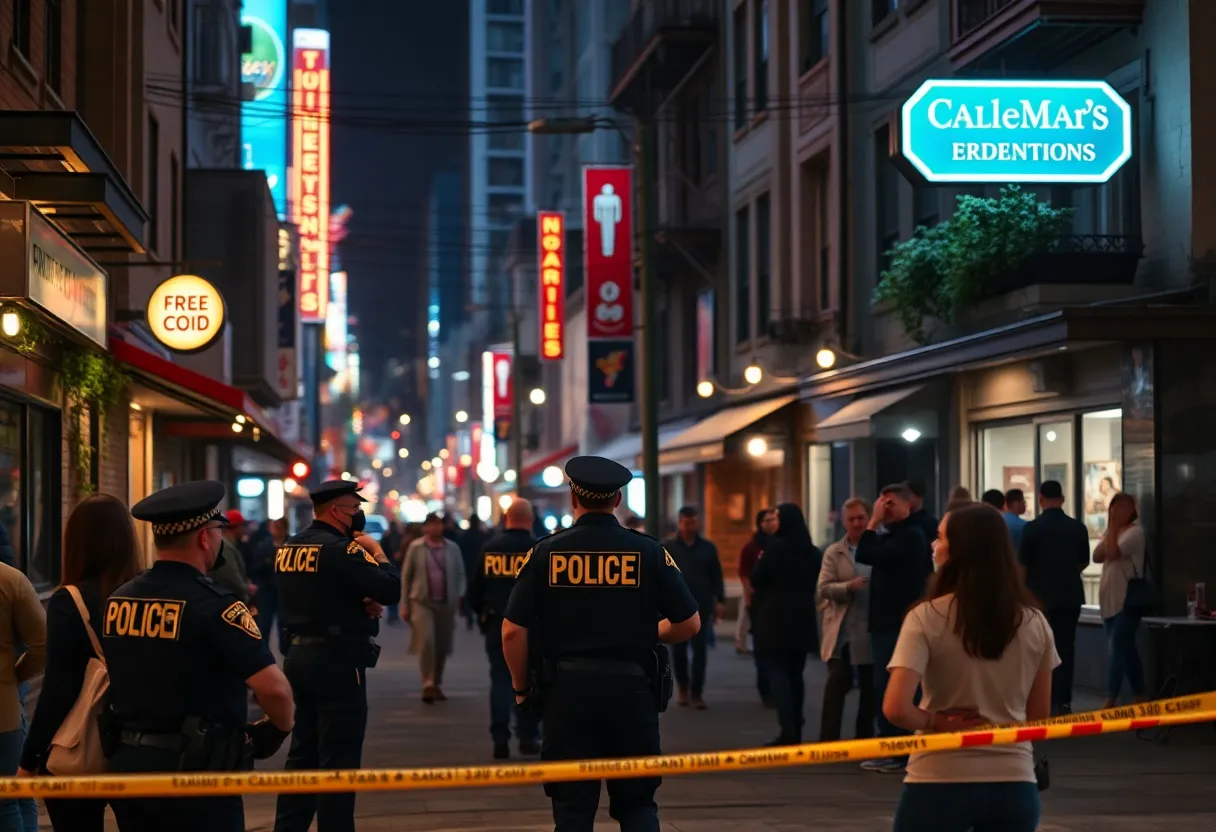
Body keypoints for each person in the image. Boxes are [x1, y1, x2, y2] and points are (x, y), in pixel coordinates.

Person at [502, 456, 701, 831]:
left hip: (566, 694)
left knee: (573, 810)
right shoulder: (650, 552)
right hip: (632, 692)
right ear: (618, 499)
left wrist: (521, 689)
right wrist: (646, 633)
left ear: (572, 497)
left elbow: (512, 630)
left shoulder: (546, 553)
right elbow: (689, 623)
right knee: (638, 804)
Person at [105, 481, 295, 832]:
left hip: (130, 766)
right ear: (204, 537)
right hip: (196, 773)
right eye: (218, 532)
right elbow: (275, 689)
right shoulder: (217, 606)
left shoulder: (120, 599)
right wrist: (279, 729)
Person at [884, 502, 1058, 832]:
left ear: (960, 550)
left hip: (938, 778)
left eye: (939, 537)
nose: (933, 546)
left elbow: (896, 708)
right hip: (1014, 782)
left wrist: (937, 721)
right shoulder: (1035, 622)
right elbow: (1038, 715)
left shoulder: (926, 617)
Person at [274, 479, 402, 832]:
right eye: (354, 508)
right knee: (338, 758)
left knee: (302, 753)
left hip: (298, 657)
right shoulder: (343, 550)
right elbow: (390, 589)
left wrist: (358, 603)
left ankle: (288, 827)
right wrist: (378, 553)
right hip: (337, 661)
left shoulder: (290, 547)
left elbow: (319, 592)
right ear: (336, 511)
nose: (358, 515)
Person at [19, 495, 142, 831]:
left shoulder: (69, 600)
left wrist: (29, 760)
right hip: (138, 747)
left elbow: (59, 689)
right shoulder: (144, 593)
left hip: (79, 749)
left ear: (77, 543)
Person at [856, 483, 932, 774]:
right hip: (886, 622)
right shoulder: (897, 536)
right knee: (883, 685)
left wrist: (872, 521)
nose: (884, 509)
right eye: (881, 503)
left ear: (907, 506)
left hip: (897, 624)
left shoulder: (910, 536)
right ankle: (892, 746)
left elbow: (865, 554)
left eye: (891, 504)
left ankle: (898, 748)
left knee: (892, 686)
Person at [467, 498, 540, 760]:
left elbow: (475, 591)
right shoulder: (539, 549)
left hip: (497, 624)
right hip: (533, 627)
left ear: (505, 518)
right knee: (531, 680)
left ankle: (500, 738)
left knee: (500, 680)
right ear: (530, 520)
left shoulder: (490, 549)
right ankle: (528, 737)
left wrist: (482, 617)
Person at [749, 503, 820, 746]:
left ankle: (787, 729)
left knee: (778, 674)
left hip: (775, 619)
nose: (775, 522)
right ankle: (797, 729)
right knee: (796, 675)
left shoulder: (775, 548)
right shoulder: (812, 551)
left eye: (778, 518)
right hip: (802, 619)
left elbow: (756, 579)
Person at [1019, 480, 1089, 714]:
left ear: (1040, 499)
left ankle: (1042, 700)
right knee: (1066, 648)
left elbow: (1023, 566)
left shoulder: (1032, 529)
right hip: (1070, 596)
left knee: (1037, 650)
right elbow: (1084, 561)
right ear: (1063, 498)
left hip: (1039, 598)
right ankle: (1063, 700)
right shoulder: (1078, 527)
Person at [817, 498, 875, 742]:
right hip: (841, 630)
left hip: (870, 629)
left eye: (861, 518)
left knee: (870, 688)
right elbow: (823, 588)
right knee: (836, 684)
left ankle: (864, 741)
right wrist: (848, 587)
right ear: (844, 522)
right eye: (851, 519)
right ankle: (828, 742)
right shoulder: (835, 551)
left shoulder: (878, 547)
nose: (857, 523)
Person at [663, 507, 724, 709]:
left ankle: (697, 692)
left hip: (702, 606)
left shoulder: (707, 548)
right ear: (679, 522)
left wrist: (720, 601)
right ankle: (683, 687)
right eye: (685, 522)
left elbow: (716, 575)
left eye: (693, 522)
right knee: (678, 651)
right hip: (676, 607)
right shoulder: (668, 547)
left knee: (700, 652)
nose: (689, 526)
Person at [402, 513, 466, 703]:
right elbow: (406, 577)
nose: (436, 528)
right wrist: (404, 604)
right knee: (427, 642)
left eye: (438, 524)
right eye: (432, 525)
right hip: (421, 603)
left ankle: (437, 682)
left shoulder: (452, 548)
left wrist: (459, 595)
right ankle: (427, 683)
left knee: (442, 644)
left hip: (447, 603)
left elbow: (461, 573)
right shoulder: (416, 547)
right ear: (425, 528)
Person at [1092, 493, 1146, 708]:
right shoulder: (1113, 532)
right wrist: (1111, 529)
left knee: (1117, 649)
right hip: (1109, 602)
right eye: (1116, 508)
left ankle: (1111, 697)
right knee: (1128, 650)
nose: (1120, 512)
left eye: (1125, 508)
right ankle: (1140, 694)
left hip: (1126, 602)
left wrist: (1113, 527)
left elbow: (1112, 552)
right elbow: (1097, 556)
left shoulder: (1135, 533)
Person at [738, 508, 777, 705]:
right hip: (758, 602)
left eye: (774, 519)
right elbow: (744, 574)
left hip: (777, 603)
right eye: (767, 520)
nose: (771, 523)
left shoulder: (781, 543)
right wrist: (748, 598)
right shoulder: (752, 547)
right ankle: (765, 689)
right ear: (760, 523)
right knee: (762, 648)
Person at [209, 509, 253, 604]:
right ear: (235, 527)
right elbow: (231, 578)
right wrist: (246, 589)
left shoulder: (230, 545)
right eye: (243, 526)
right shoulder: (226, 547)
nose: (245, 529)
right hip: (231, 601)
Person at [904, 479, 939, 545]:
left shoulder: (930, 522)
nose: (905, 499)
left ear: (919, 496)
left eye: (908, 495)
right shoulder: (900, 519)